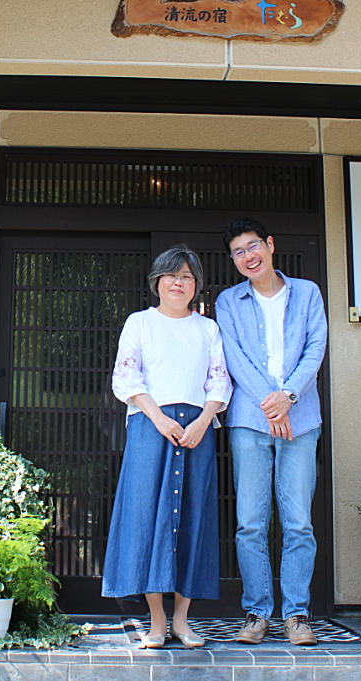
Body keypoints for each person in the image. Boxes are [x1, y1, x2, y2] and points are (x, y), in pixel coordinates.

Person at [102, 245, 232, 649]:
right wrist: (159, 419)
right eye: (172, 275)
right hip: (149, 427)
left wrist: (203, 421)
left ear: (197, 285)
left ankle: (182, 620)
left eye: (187, 277)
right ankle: (156, 621)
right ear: (157, 282)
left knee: (193, 517)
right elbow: (126, 377)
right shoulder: (140, 322)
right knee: (147, 517)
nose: (179, 283)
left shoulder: (207, 329)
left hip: (197, 431)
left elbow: (219, 381)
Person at [215, 218, 327, 646]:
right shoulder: (228, 301)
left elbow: (316, 347)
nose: (248, 256)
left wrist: (288, 397)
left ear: (270, 245)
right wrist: (271, 401)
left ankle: (296, 614)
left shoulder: (307, 293)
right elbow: (234, 358)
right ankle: (257, 612)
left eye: (253, 246)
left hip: (301, 418)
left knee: (298, 522)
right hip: (250, 419)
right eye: (238, 252)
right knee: (250, 522)